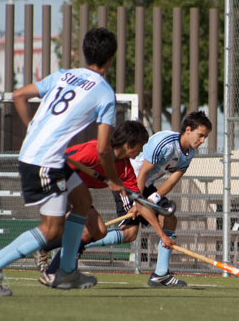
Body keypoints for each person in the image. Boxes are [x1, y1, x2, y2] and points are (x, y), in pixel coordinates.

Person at [0, 27, 125, 296]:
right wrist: (113, 180)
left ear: (85, 52)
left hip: (44, 154)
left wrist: (32, 127)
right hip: (45, 161)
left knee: (82, 202)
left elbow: (19, 95)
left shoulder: (64, 75)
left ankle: (66, 272)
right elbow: (103, 149)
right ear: (111, 58)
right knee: (52, 230)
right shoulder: (104, 93)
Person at [35, 120, 176, 286]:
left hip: (78, 190)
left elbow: (139, 203)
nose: (141, 151)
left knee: (100, 231)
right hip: (57, 181)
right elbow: (60, 166)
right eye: (140, 145)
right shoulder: (95, 151)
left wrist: (162, 235)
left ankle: (47, 256)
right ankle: (57, 271)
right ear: (129, 144)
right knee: (86, 230)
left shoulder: (125, 168)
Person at [86, 111, 212, 288]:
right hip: (130, 182)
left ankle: (160, 274)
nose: (202, 141)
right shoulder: (165, 143)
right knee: (130, 233)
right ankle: (81, 244)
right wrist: (138, 201)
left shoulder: (189, 153)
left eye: (205, 137)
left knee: (169, 218)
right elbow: (143, 173)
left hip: (146, 186)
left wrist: (154, 198)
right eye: (201, 135)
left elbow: (172, 179)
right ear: (188, 130)